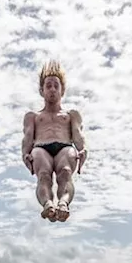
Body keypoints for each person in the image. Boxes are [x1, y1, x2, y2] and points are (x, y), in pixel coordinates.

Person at [22, 60, 87, 221]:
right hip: (41, 147)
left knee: (65, 172)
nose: (52, 89)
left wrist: (83, 149)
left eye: (56, 86)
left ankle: (63, 203)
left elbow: (77, 134)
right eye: (48, 86)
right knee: (43, 174)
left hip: (65, 146)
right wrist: (25, 154)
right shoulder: (33, 116)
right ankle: (47, 204)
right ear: (41, 90)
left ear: (62, 90)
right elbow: (27, 138)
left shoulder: (71, 115)